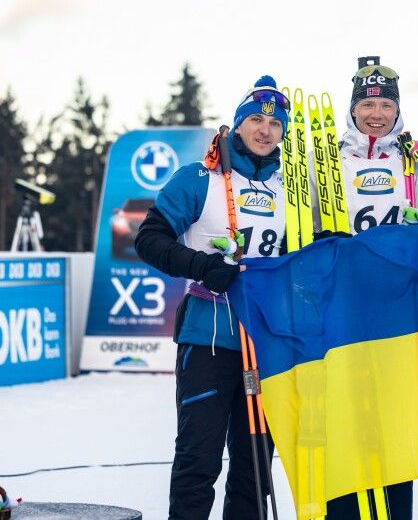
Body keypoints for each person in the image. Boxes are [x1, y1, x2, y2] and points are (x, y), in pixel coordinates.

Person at [135, 75, 290, 520]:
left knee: (254, 469)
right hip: (208, 337)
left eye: (275, 124)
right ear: (238, 124)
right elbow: (150, 238)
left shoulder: (293, 190)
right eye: (256, 119)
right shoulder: (200, 178)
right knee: (197, 464)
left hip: (266, 344)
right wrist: (203, 265)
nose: (265, 130)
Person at [320, 56, 418, 520]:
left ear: (396, 111)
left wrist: (416, 244)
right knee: (346, 423)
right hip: (343, 307)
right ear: (353, 108)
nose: (375, 113)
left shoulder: (415, 161)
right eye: (367, 103)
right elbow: (303, 223)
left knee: (395, 427)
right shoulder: (330, 159)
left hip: (397, 310)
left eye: (385, 105)